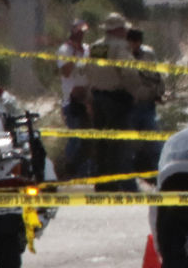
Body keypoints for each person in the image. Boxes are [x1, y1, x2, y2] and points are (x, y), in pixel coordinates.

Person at [83, 13, 143, 189]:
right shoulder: (119, 47)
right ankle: (122, 184)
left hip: (98, 99)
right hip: (117, 100)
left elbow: (87, 70)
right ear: (118, 30)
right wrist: (134, 91)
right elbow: (129, 72)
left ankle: (102, 184)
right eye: (123, 28)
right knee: (119, 145)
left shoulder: (97, 47)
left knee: (101, 144)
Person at [53, 19, 93, 179]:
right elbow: (66, 72)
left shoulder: (87, 49)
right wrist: (75, 54)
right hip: (72, 100)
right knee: (75, 138)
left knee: (88, 139)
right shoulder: (64, 50)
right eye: (78, 32)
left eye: (83, 32)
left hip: (87, 98)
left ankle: (85, 172)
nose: (81, 35)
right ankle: (68, 170)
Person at [126, 27, 168, 176]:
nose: (135, 44)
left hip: (147, 105)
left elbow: (157, 76)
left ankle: (159, 175)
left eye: (138, 41)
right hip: (128, 107)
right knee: (127, 148)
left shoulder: (148, 54)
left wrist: (160, 92)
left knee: (155, 145)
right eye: (132, 41)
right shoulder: (122, 55)